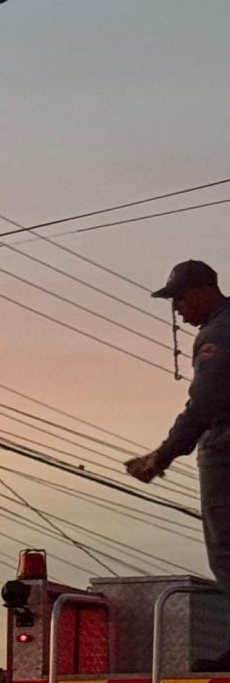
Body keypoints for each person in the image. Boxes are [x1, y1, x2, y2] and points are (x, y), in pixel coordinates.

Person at [128, 259, 230, 645]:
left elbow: (204, 403)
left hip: (226, 448)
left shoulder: (218, 334)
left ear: (205, 290)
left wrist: (162, 455)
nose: (177, 308)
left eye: (181, 297)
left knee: (227, 549)